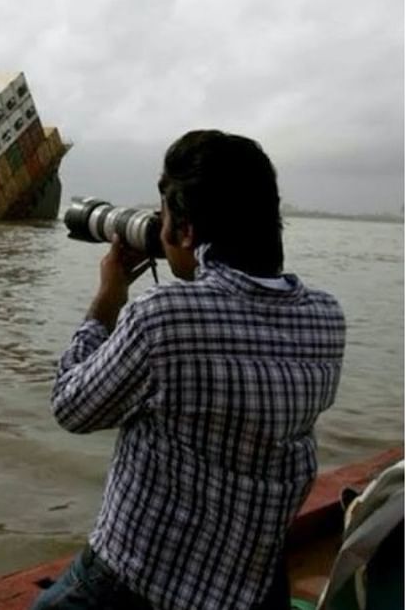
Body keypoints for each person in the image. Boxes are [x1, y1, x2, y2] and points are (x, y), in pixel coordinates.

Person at [31, 130, 346, 610]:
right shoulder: (327, 318)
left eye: (166, 218)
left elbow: (72, 407)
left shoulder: (164, 315)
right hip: (252, 589)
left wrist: (108, 299)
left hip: (137, 584)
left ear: (185, 231)